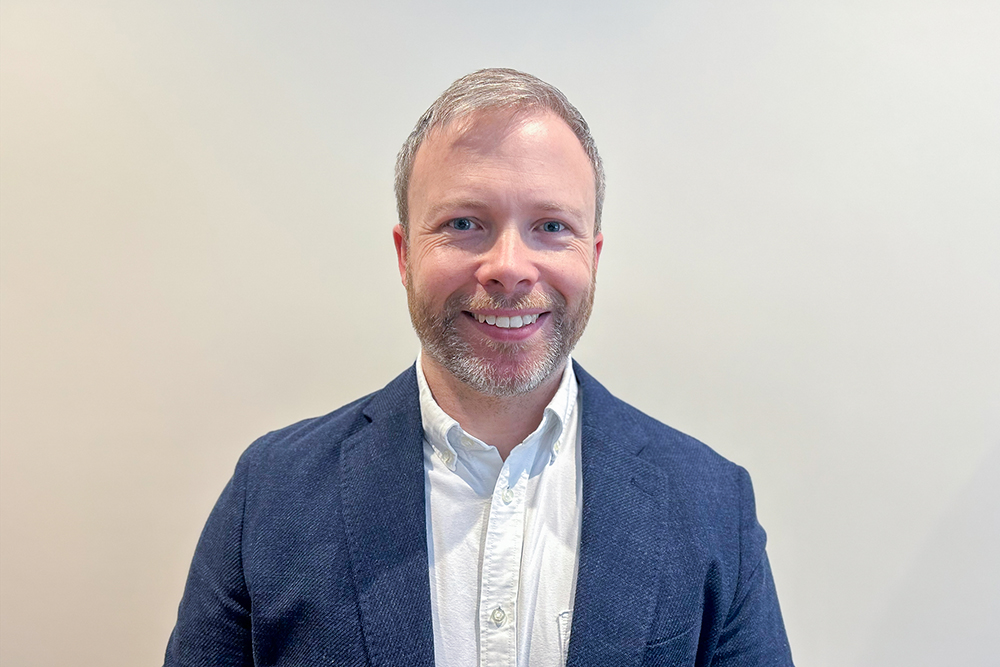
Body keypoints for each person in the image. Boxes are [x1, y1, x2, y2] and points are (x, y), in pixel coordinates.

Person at [164, 68, 793, 667]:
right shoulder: (271, 492)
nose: (509, 266)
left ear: (593, 256)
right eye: (465, 223)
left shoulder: (711, 504)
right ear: (405, 253)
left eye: (551, 226)